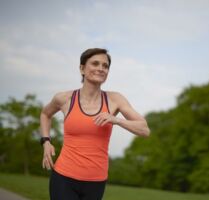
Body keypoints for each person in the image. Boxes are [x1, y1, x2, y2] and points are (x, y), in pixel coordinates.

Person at [39, 48, 150, 200]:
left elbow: (144, 129)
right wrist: (46, 142)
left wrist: (116, 120)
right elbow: (45, 114)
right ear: (82, 68)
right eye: (95, 64)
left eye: (105, 66)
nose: (101, 68)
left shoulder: (115, 100)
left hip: (96, 181)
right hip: (63, 177)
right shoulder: (64, 98)